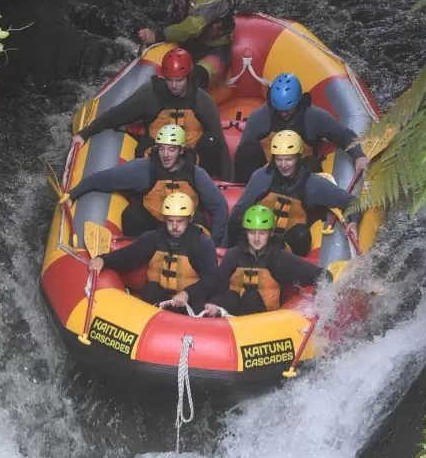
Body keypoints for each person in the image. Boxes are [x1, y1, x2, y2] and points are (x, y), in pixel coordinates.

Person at [69, 47, 231, 180]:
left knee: (211, 142)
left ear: (188, 77)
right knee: (144, 149)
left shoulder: (203, 100)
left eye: (179, 80)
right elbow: (115, 116)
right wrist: (84, 134)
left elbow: (220, 145)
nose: (174, 86)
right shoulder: (150, 95)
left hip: (192, 160)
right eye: (170, 80)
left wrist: (226, 183)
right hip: (160, 158)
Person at [63, 124, 228, 244]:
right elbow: (100, 179)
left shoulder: (197, 174)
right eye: (162, 149)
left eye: (171, 149)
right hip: (154, 224)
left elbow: (219, 207)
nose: (165, 155)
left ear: (181, 150)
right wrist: (73, 195)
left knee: (199, 221)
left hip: (185, 226)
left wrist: (215, 243)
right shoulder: (143, 168)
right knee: (132, 216)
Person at [227, 130, 358, 257]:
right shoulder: (260, 177)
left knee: (300, 235)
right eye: (279, 159)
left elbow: (352, 202)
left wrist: (354, 223)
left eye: (288, 159)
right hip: (258, 236)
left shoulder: (312, 183)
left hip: (289, 245)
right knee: (237, 218)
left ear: (298, 157)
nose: (283, 165)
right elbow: (240, 210)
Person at [88, 192, 218, 314]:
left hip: (188, 301)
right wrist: (103, 260)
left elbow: (211, 280)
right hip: (158, 299)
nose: (174, 227)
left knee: (200, 303)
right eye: (170, 221)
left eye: (179, 221)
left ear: (189, 219)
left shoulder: (203, 244)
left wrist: (187, 293)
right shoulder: (154, 238)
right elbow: (127, 257)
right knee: (151, 289)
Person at [233, 72, 370, 184]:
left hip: (298, 173)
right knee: (247, 149)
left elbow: (344, 135)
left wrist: (358, 156)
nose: (284, 114)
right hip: (266, 171)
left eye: (288, 110)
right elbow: (244, 152)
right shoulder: (259, 117)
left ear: (298, 102)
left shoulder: (315, 117)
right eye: (279, 110)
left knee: (312, 164)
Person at [204, 205, 330, 317]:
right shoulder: (232, 255)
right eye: (252, 233)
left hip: (265, 322)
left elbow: (320, 275)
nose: (257, 238)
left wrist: (319, 295)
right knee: (232, 296)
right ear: (246, 233)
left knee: (251, 297)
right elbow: (219, 289)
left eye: (262, 233)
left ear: (270, 233)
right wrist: (214, 305)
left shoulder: (280, 258)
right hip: (232, 318)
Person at [137, 0, 234, 90]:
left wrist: (157, 35)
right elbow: (172, 18)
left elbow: (192, 28)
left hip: (215, 49)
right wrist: (153, 40)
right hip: (190, 46)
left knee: (195, 79)